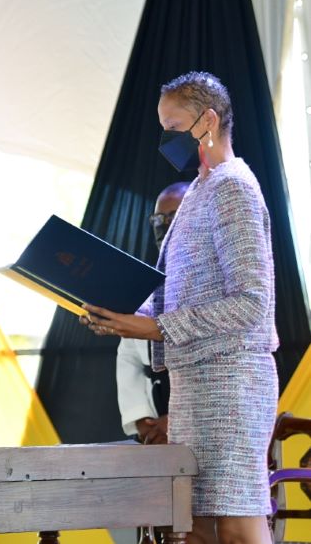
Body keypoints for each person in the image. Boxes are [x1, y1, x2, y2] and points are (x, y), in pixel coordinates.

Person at [81, 72, 278, 544]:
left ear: (208, 120)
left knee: (235, 524)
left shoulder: (234, 187)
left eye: (173, 127)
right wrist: (114, 307)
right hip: (193, 384)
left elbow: (252, 304)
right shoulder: (196, 192)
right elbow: (175, 290)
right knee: (197, 527)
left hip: (233, 383)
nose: (166, 139)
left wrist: (157, 328)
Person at [117, 181, 188, 446]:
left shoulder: (211, 279)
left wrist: (179, 419)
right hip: (157, 429)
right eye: (158, 218)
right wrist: (141, 420)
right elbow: (128, 357)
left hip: (204, 422)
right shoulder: (149, 285)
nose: (163, 224)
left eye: (173, 216)